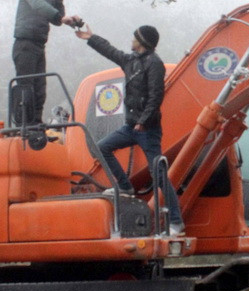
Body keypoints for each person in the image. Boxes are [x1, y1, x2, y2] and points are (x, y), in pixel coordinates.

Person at [75, 23, 183, 236]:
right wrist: (90, 37)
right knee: (102, 147)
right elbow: (110, 51)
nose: (131, 40)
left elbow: (156, 96)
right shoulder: (130, 61)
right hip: (130, 126)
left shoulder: (155, 64)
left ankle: (177, 223)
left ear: (142, 41)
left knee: (158, 174)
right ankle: (124, 186)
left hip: (147, 129)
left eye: (135, 37)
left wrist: (143, 120)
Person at [12, 0, 81, 125]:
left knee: (39, 88)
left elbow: (57, 20)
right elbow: (39, 5)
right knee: (26, 86)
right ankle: (24, 125)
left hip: (38, 44)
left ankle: (36, 123)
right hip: (25, 43)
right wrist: (59, 16)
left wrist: (60, 1)